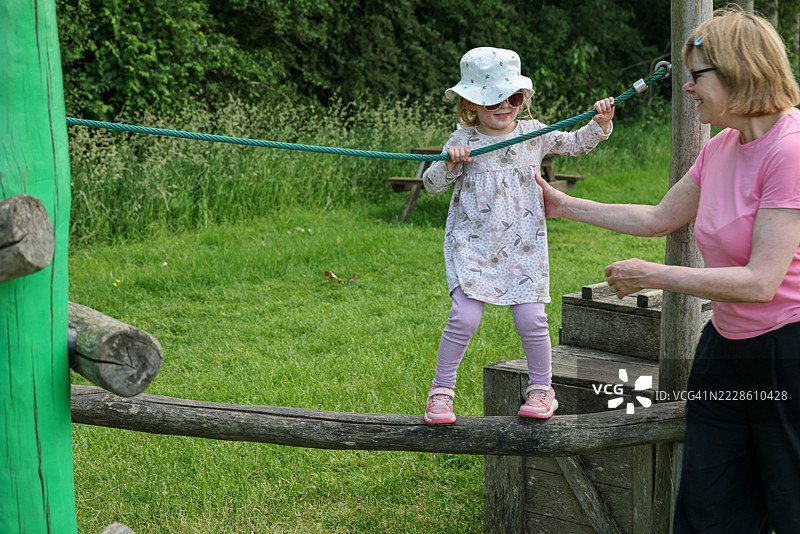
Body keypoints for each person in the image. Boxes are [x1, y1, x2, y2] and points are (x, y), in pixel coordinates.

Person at [535, 7, 800, 533]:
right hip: (724, 350)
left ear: (740, 70)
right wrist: (564, 206)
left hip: (785, 354)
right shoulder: (722, 147)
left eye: (696, 77)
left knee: (791, 503)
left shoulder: (789, 152)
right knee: (708, 507)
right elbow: (660, 218)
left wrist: (655, 276)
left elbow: (761, 281)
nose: (686, 89)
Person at [421, 46, 615, 424]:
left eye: (513, 97)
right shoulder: (463, 140)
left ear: (522, 98)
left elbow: (575, 144)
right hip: (473, 244)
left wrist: (601, 123)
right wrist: (450, 163)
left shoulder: (533, 133)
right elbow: (430, 183)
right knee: (464, 316)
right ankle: (441, 392)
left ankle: (543, 388)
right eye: (494, 98)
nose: (506, 105)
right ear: (471, 103)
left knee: (532, 319)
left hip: (522, 244)